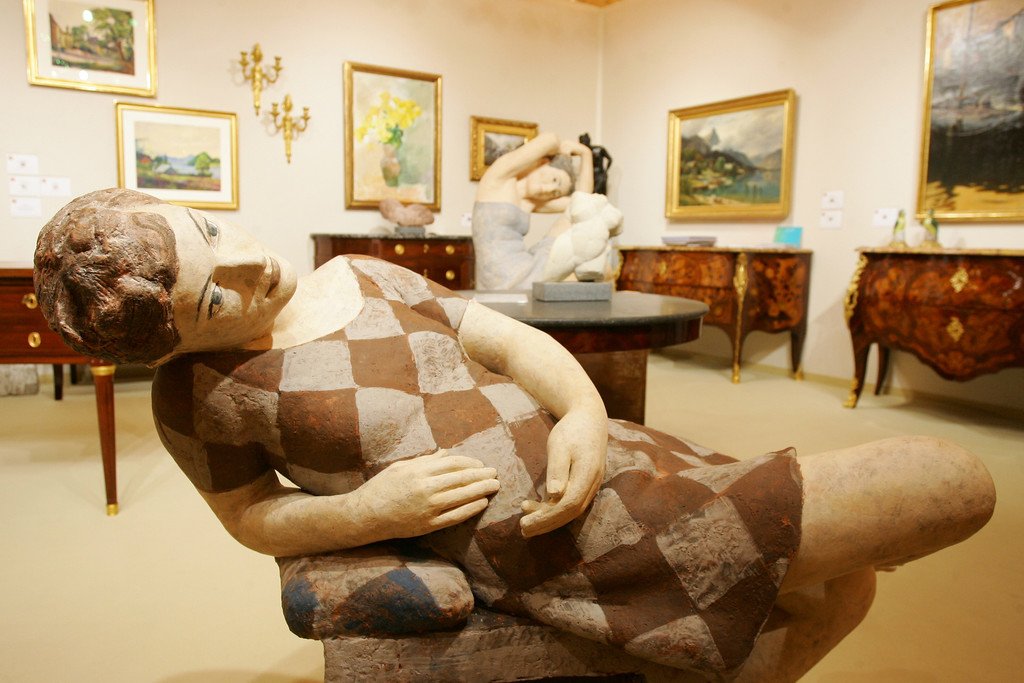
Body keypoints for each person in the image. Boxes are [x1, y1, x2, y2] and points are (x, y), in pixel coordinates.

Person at [34, 188, 995, 681]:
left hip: (609, 451)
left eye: (213, 229)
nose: (255, 265)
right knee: (948, 483)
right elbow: (249, 516)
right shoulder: (195, 395)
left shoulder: (362, 273)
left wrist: (581, 409)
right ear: (175, 343)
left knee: (848, 581)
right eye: (217, 297)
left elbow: (505, 337)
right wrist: (372, 511)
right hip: (553, 538)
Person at [472, 132, 601, 290]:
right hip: (505, 279)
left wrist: (585, 153)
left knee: (575, 215)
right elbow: (550, 139)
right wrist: (563, 148)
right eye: (555, 180)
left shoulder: (531, 202)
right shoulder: (499, 178)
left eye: (556, 193)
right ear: (543, 162)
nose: (549, 190)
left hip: (525, 270)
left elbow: (582, 201)